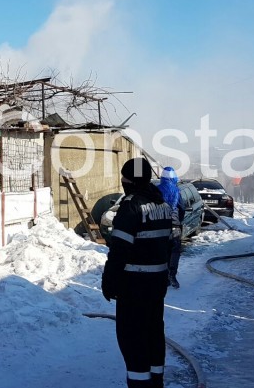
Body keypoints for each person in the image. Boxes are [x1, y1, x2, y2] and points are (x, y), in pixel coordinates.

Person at [102, 158, 174, 388]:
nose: (123, 182)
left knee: (133, 339)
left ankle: (140, 384)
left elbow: (119, 250)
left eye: (124, 178)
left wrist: (109, 281)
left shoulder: (131, 206)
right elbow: (169, 245)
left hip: (134, 286)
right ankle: (156, 381)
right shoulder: (162, 205)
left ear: (130, 180)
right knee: (154, 333)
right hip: (157, 284)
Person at [158, 166, 185, 289]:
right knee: (174, 250)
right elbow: (182, 208)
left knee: (162, 250)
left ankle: (162, 276)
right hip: (174, 225)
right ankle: (172, 275)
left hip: (160, 224)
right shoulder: (176, 191)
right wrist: (180, 220)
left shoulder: (156, 190)